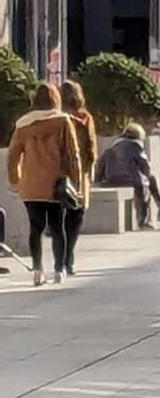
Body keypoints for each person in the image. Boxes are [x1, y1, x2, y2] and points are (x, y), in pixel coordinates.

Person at [6, 83, 81, 286]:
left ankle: (37, 270)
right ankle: (59, 269)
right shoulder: (62, 121)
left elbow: (13, 156)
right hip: (56, 183)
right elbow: (73, 154)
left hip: (30, 185)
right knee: (58, 228)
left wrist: (15, 180)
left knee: (35, 228)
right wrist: (77, 182)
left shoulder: (23, 124)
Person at [95, 123, 160, 229]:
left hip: (110, 180)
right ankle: (148, 216)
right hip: (131, 181)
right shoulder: (136, 145)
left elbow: (100, 169)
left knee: (145, 181)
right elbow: (146, 168)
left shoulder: (112, 147)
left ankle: (158, 209)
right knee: (150, 180)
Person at [60, 81, 97, 276]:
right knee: (75, 218)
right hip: (80, 176)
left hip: (59, 174)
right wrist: (90, 171)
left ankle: (61, 258)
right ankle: (69, 258)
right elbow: (92, 148)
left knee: (59, 218)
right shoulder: (86, 118)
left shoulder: (58, 118)